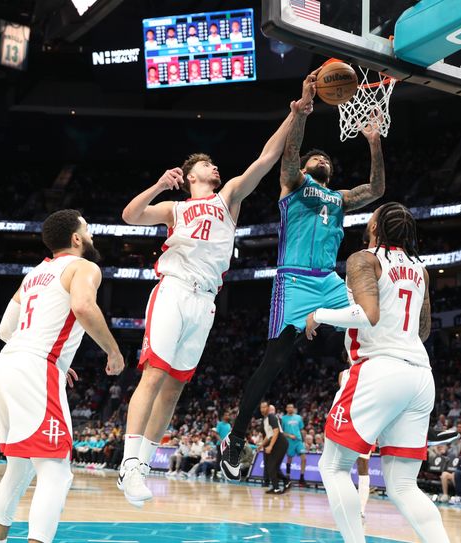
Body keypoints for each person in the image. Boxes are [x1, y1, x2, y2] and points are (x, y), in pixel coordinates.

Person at [116, 73, 318, 506]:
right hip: (173, 289)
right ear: (190, 175)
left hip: (205, 301)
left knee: (174, 387)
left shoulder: (227, 197)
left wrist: (294, 112)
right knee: (154, 374)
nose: (215, 167)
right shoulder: (176, 206)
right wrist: (158, 184)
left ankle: (145, 465)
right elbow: (130, 216)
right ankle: (129, 464)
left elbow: (265, 159)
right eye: (206, 165)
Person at [220, 68, 386, 481]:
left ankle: (392, 412)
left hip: (329, 281)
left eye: (327, 159)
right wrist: (303, 112)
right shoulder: (294, 184)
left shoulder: (339, 198)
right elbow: (290, 157)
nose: (322, 160)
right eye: (317, 158)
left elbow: (377, 189)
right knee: (275, 360)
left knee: (376, 327)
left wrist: (374, 143)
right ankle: (237, 438)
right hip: (293, 282)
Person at [305, 203, 450, 542]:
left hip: (380, 369)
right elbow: (423, 328)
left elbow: (367, 315)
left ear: (375, 226)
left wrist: (320, 315)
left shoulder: (364, 259)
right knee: (402, 485)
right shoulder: (420, 269)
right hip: (419, 374)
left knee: (333, 466)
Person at [0, 209, 125, 543]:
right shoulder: (84, 266)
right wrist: (114, 351)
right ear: (76, 238)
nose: (91, 237)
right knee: (57, 472)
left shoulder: (33, 274)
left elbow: (6, 330)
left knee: (19, 468)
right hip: (34, 367)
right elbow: (83, 307)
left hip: (4, 365)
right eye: (88, 231)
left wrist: (49, 353)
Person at [261, 401, 291, 494]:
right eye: (261, 408)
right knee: (273, 467)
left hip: (280, 442)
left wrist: (270, 446)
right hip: (276, 442)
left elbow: (276, 431)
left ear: (268, 408)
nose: (262, 409)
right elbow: (268, 435)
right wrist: (261, 445)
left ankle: (279, 486)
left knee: (271, 466)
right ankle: (279, 486)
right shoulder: (265, 420)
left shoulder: (271, 417)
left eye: (264, 407)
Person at [281, 403, 307, 486]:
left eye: (291, 407)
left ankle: (302, 478)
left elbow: (301, 429)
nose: (290, 408)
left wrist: (304, 440)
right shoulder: (283, 418)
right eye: (288, 407)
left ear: (294, 408)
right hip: (289, 441)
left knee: (304, 458)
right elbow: (282, 432)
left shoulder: (299, 417)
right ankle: (288, 477)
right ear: (286, 409)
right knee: (289, 459)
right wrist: (289, 435)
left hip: (298, 441)